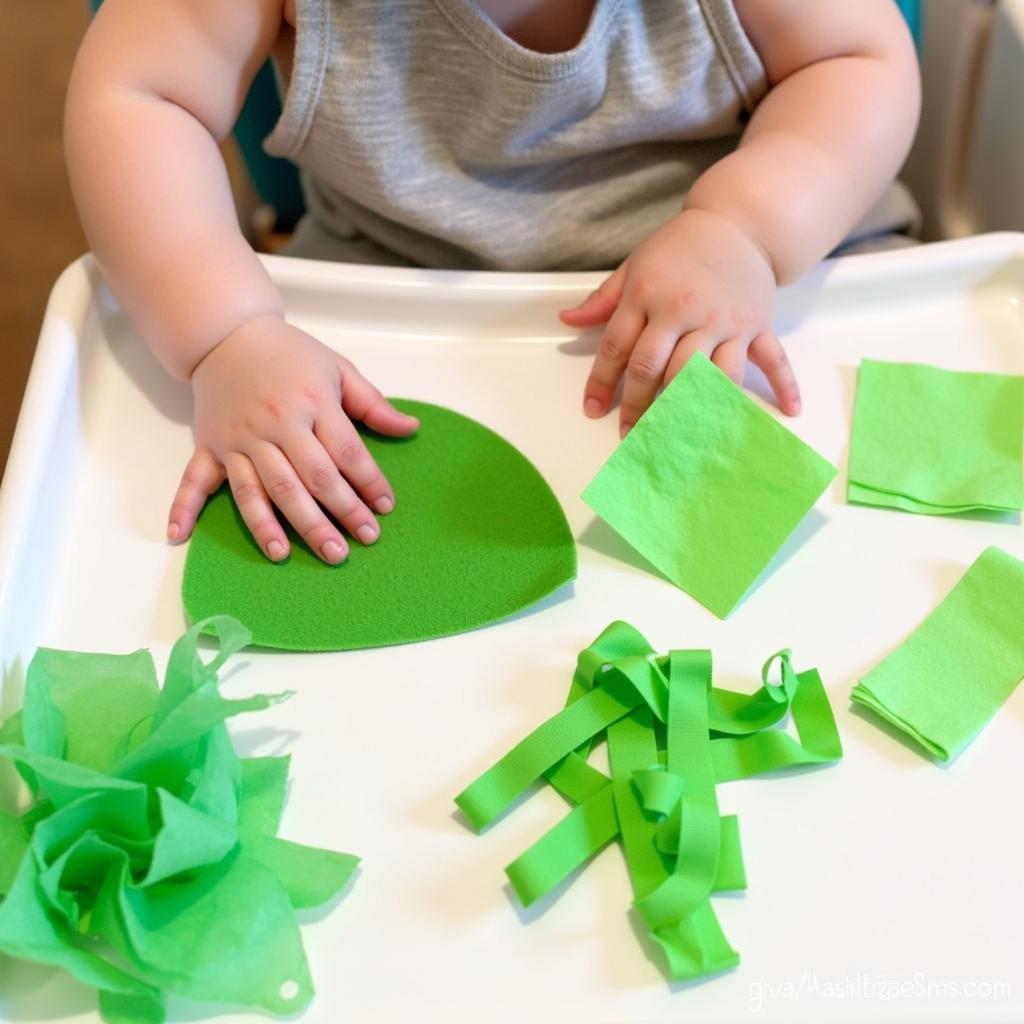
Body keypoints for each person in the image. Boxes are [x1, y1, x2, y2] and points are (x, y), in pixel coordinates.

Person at [64, 0, 920, 565]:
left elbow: (855, 60)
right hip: (395, 284)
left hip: (747, 271)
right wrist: (224, 333)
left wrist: (748, 229)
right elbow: (140, 96)